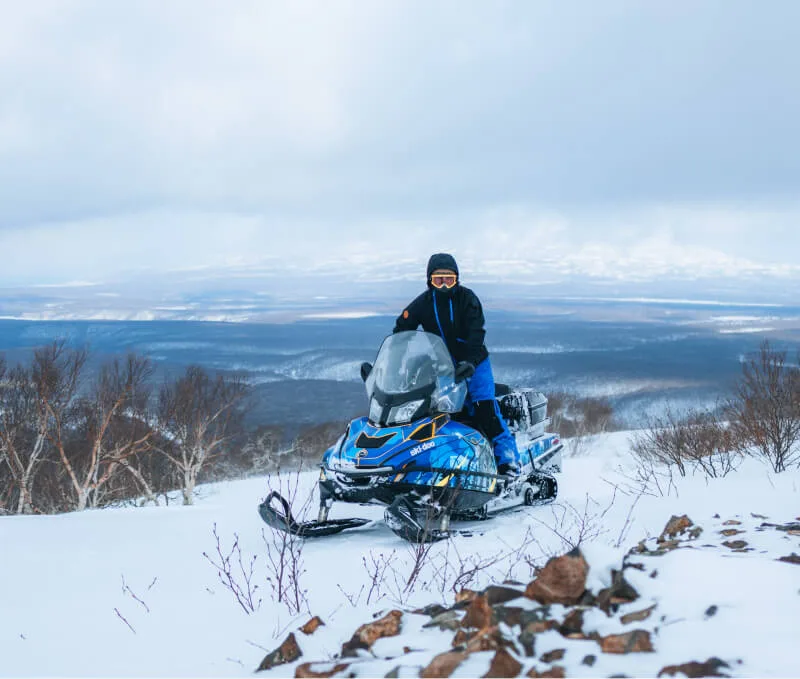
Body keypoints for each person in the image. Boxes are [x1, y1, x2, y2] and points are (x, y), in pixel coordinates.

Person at [393, 253, 522, 476]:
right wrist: (397, 357)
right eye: (438, 280)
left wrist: (470, 362)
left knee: (485, 410)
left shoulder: (467, 299)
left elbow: (476, 331)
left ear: (457, 279)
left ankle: (508, 462)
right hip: (444, 365)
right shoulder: (423, 303)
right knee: (442, 413)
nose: (443, 286)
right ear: (429, 281)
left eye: (449, 280)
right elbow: (402, 328)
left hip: (475, 363)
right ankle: (446, 461)